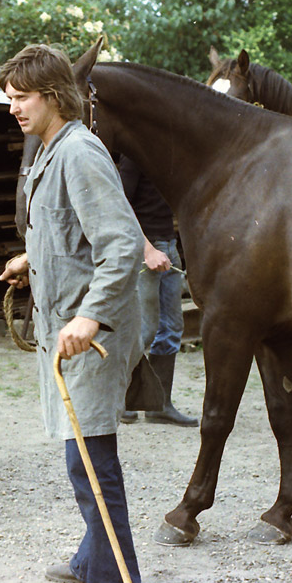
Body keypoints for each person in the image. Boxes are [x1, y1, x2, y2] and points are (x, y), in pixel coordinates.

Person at [0, 45, 145, 583]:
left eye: (21, 97)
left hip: (92, 336)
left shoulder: (80, 152)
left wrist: (89, 318)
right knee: (77, 454)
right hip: (63, 328)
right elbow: (71, 230)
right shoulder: (50, 151)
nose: (12, 108)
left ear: (53, 95)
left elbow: (122, 245)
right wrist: (32, 257)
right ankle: (92, 561)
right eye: (9, 96)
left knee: (91, 464)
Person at [118, 155, 197, 427]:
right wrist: (147, 249)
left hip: (169, 245)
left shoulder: (166, 155)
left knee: (172, 327)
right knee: (146, 329)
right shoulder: (133, 158)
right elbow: (120, 206)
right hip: (144, 250)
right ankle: (122, 399)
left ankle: (159, 405)